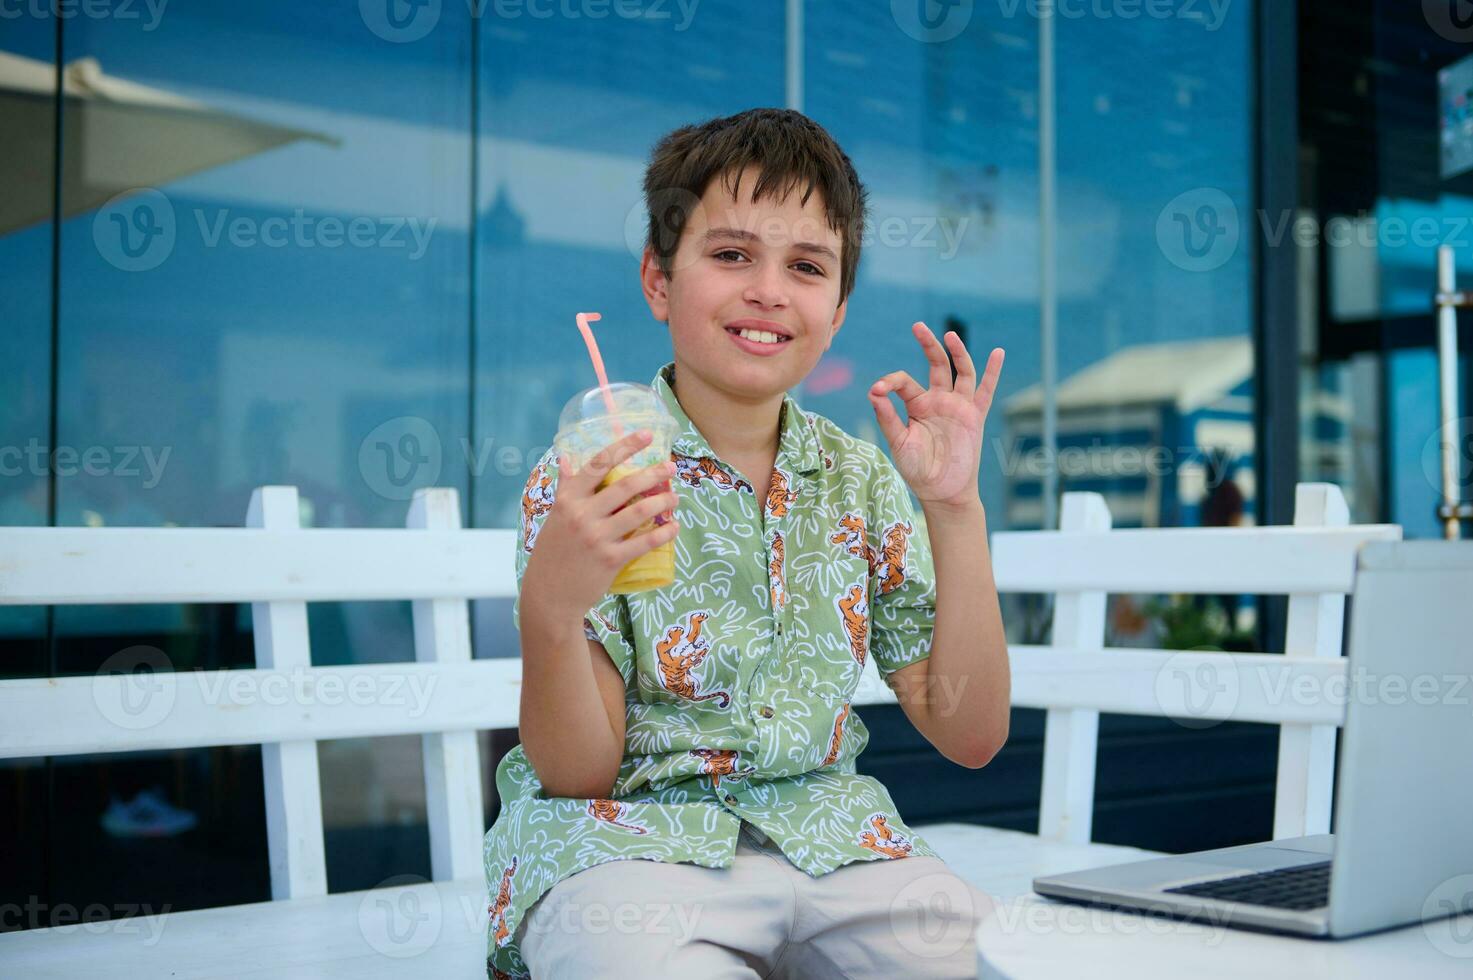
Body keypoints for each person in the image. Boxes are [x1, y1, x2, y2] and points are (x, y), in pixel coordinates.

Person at [485, 108, 1010, 979]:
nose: (768, 289)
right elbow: (579, 772)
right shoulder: (596, 476)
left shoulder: (860, 482)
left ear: (837, 311)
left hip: (835, 845)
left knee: (992, 965)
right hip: (629, 852)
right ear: (659, 281)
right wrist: (548, 610)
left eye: (805, 267)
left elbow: (971, 733)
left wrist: (955, 509)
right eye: (731, 255)